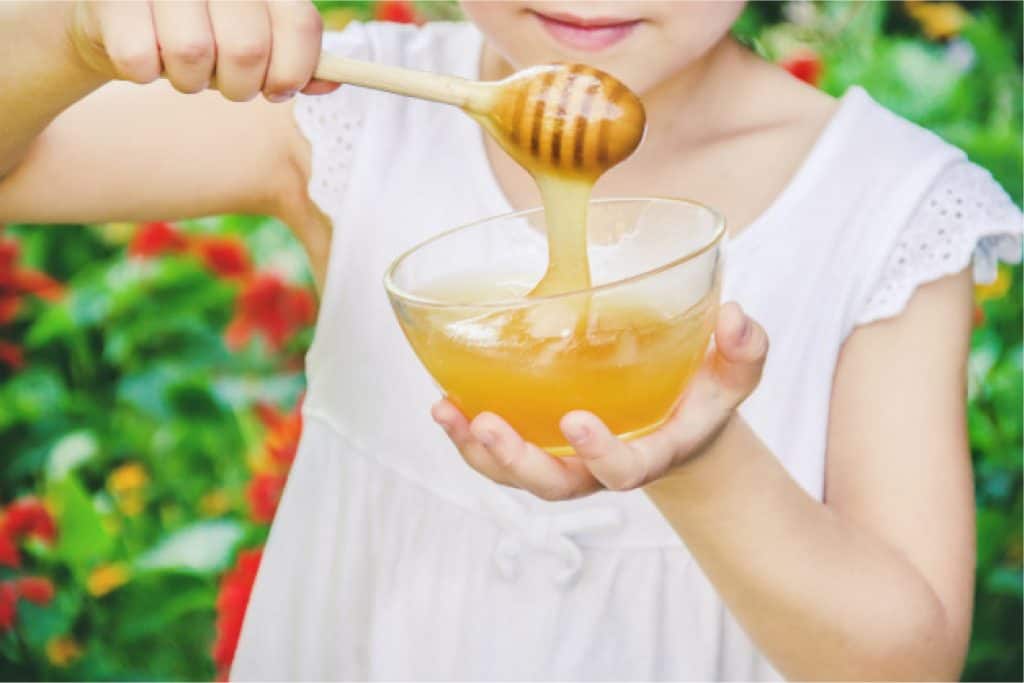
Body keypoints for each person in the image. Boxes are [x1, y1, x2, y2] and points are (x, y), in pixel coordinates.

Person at [1, 2, 1020, 680]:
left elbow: (902, 659)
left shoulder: (880, 207)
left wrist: (701, 461)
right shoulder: (357, 109)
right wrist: (68, 36)